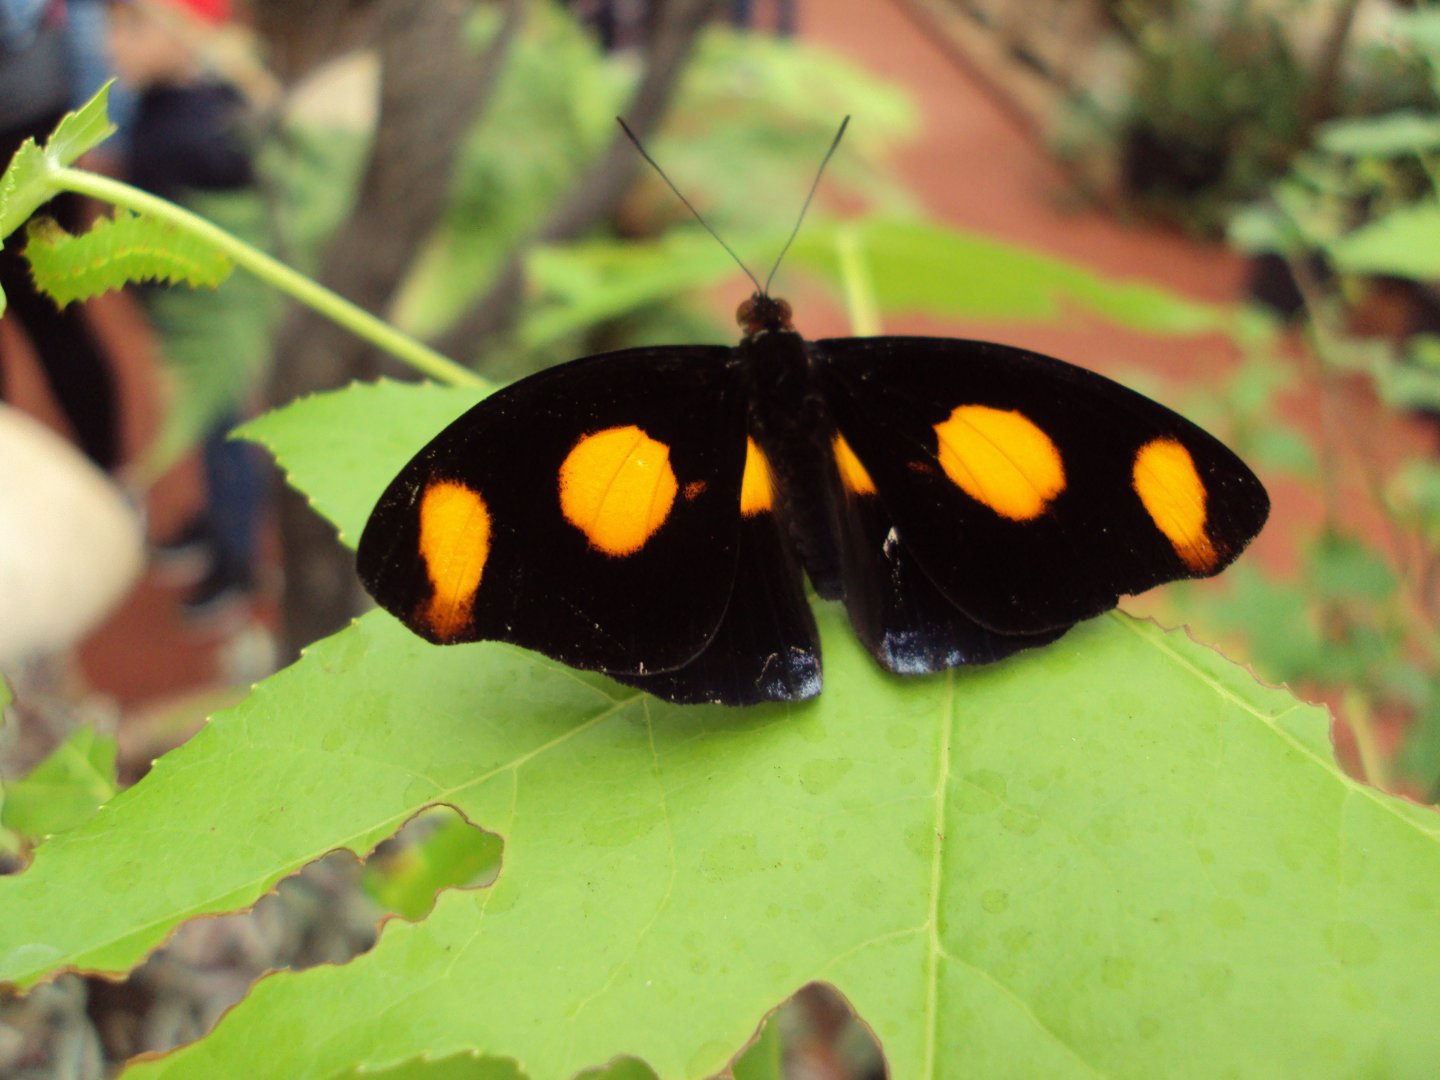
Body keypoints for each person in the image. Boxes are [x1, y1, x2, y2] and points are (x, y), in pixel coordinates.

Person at [106, 0, 271, 618]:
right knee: (206, 427)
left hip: (212, 318)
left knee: (225, 430)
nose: (109, 45)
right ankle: (217, 527)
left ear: (184, 33)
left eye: (130, 26)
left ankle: (239, 562)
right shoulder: (162, 105)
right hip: (180, 309)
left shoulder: (207, 132)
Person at [0, 0, 123, 470]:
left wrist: (106, 120)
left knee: (57, 315)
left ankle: (108, 477)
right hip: (41, 118)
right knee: (60, 320)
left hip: (34, 135)